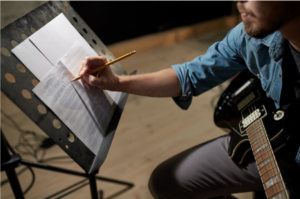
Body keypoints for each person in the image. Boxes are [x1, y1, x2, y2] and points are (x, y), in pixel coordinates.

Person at [79, 1, 300, 198]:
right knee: (165, 182)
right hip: (276, 137)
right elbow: (189, 75)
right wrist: (116, 82)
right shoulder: (249, 36)